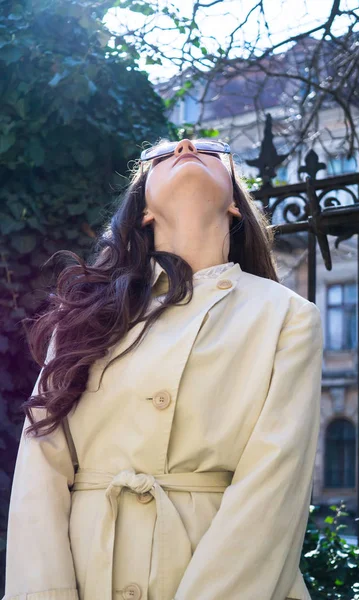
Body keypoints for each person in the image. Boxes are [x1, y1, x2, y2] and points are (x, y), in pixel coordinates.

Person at [2, 138, 323, 600]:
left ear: (235, 204)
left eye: (212, 151)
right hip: (86, 569)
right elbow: (41, 471)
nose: (187, 145)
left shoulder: (287, 316)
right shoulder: (86, 317)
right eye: (164, 153)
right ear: (145, 211)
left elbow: (273, 489)